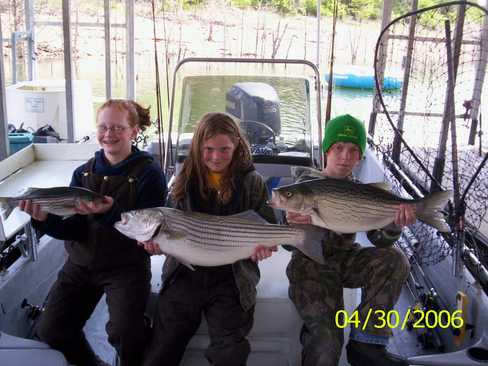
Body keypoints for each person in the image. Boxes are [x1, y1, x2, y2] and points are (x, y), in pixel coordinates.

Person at [19, 99, 168, 366]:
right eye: (103, 127)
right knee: (51, 329)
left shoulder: (150, 174)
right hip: (80, 264)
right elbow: (74, 229)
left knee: (125, 333)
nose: (109, 134)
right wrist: (43, 221)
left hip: (126, 267)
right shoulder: (82, 172)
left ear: (134, 131)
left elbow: (147, 228)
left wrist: (108, 212)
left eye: (118, 128)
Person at [142, 112, 276, 366]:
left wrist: (263, 247)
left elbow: (267, 225)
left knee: (230, 353)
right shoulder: (182, 180)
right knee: (161, 349)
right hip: (184, 274)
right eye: (209, 149)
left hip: (234, 277)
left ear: (237, 144)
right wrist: (157, 245)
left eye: (224, 149)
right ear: (197, 147)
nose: (216, 157)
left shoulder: (253, 182)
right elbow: (171, 230)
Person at [285, 114, 416, 366]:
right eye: (338, 148)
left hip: (346, 259)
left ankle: (366, 343)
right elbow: (286, 244)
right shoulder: (302, 188)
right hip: (310, 266)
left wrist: (393, 224)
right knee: (327, 343)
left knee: (394, 259)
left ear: (360, 157)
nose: (345, 156)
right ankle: (317, 335)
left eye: (353, 150)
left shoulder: (362, 190)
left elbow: (379, 240)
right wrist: (291, 224)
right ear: (327, 150)